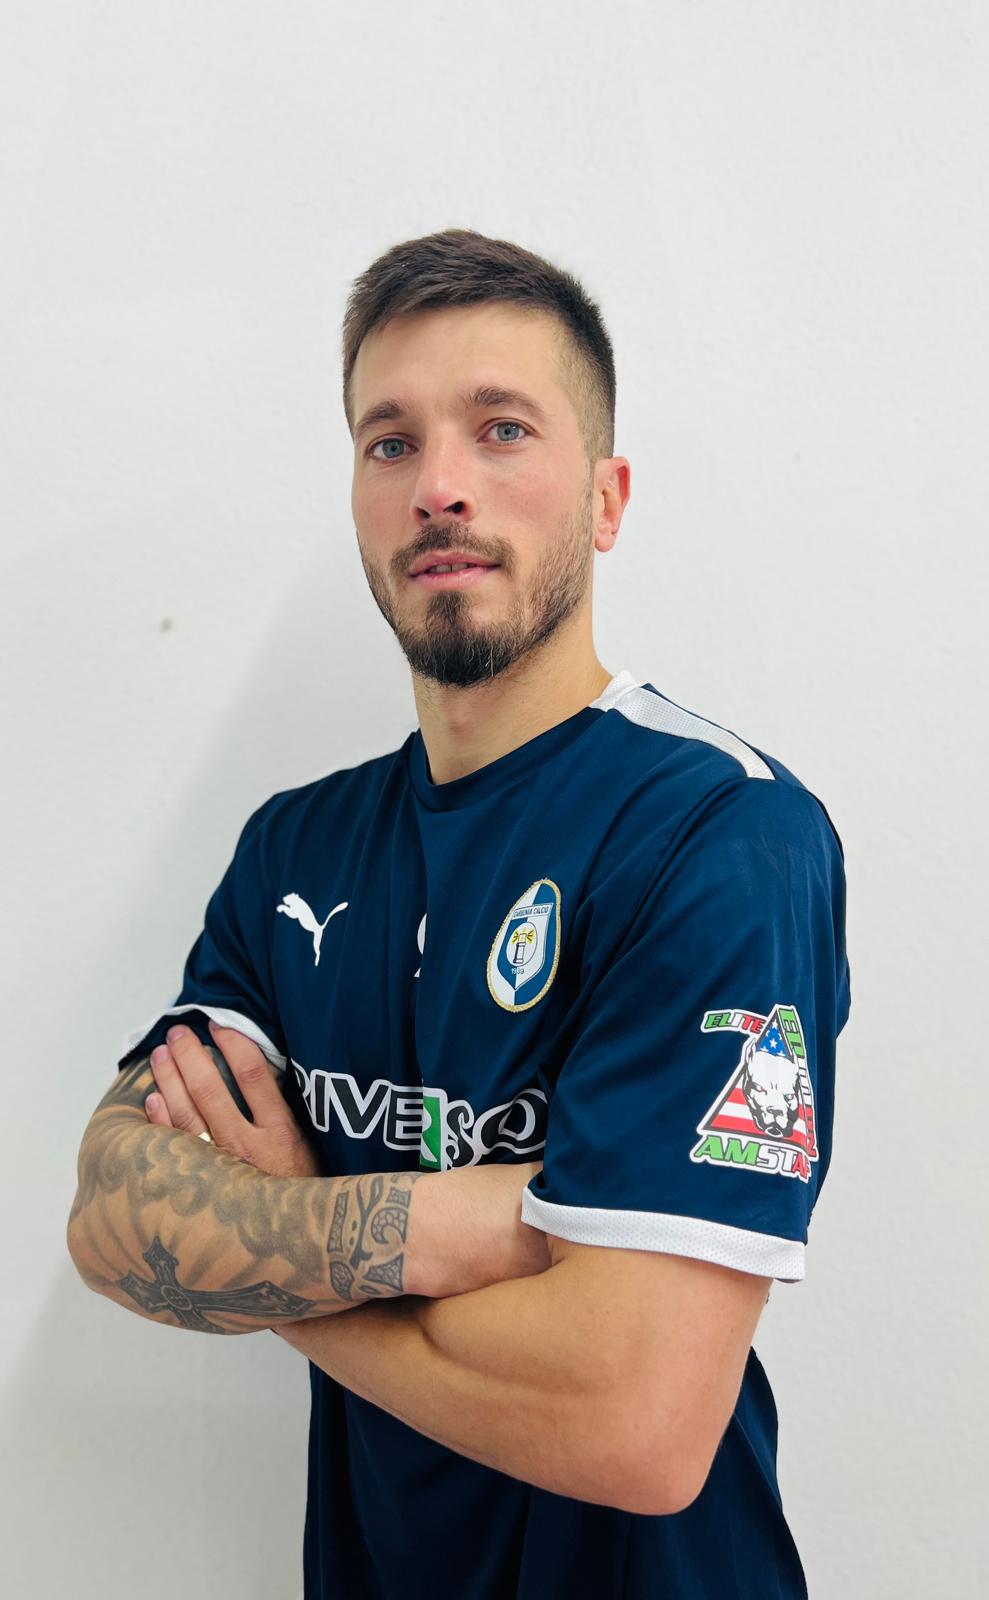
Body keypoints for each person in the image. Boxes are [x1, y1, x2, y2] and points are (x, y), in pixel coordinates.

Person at [67, 227, 851, 1600]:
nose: (438, 486)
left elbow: (637, 1423)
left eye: (501, 430)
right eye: (390, 442)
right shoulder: (295, 848)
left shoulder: (720, 835)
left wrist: (284, 1237)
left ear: (605, 499)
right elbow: (114, 1221)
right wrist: (511, 1220)